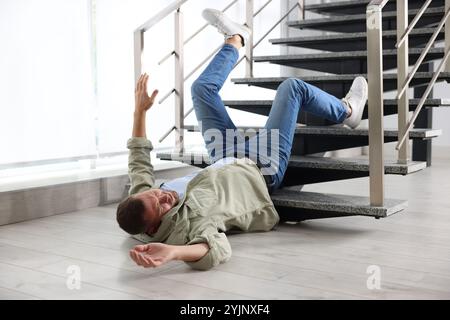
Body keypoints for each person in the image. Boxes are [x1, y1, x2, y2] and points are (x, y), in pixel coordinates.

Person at [117, 9, 368, 270]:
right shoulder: (190, 223)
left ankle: (236, 38)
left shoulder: (140, 200)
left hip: (223, 154)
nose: (164, 195)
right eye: (163, 205)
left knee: (201, 89)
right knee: (292, 88)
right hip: (260, 167)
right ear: (155, 225)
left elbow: (138, 160)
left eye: (155, 193)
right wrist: (174, 252)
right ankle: (348, 111)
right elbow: (216, 249)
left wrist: (140, 112)